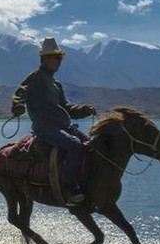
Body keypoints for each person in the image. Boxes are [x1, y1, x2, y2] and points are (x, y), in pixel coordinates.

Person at [11, 37, 96, 205]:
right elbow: (20, 93)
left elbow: (67, 107)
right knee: (74, 145)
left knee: (91, 146)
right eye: (55, 57)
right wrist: (18, 105)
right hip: (44, 128)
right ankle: (70, 189)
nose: (58, 61)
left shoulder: (57, 84)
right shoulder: (35, 77)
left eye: (60, 58)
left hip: (62, 127)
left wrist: (83, 110)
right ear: (44, 59)